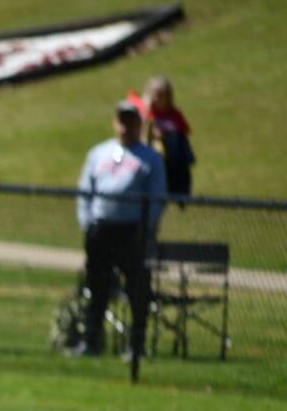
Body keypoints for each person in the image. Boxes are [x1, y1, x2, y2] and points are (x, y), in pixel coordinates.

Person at [73, 100, 167, 361]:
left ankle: (136, 346)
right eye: (121, 120)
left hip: (133, 232)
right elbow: (85, 192)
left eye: (131, 121)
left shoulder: (150, 158)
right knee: (97, 286)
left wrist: (146, 229)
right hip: (101, 230)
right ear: (115, 123)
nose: (125, 126)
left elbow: (158, 198)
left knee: (137, 288)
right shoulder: (98, 153)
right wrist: (87, 223)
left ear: (139, 124)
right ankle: (92, 341)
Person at [127, 76, 195, 196]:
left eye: (160, 95)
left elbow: (184, 132)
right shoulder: (141, 108)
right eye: (153, 94)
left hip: (171, 161)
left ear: (168, 97)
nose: (156, 99)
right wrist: (146, 108)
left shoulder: (174, 115)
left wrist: (165, 134)